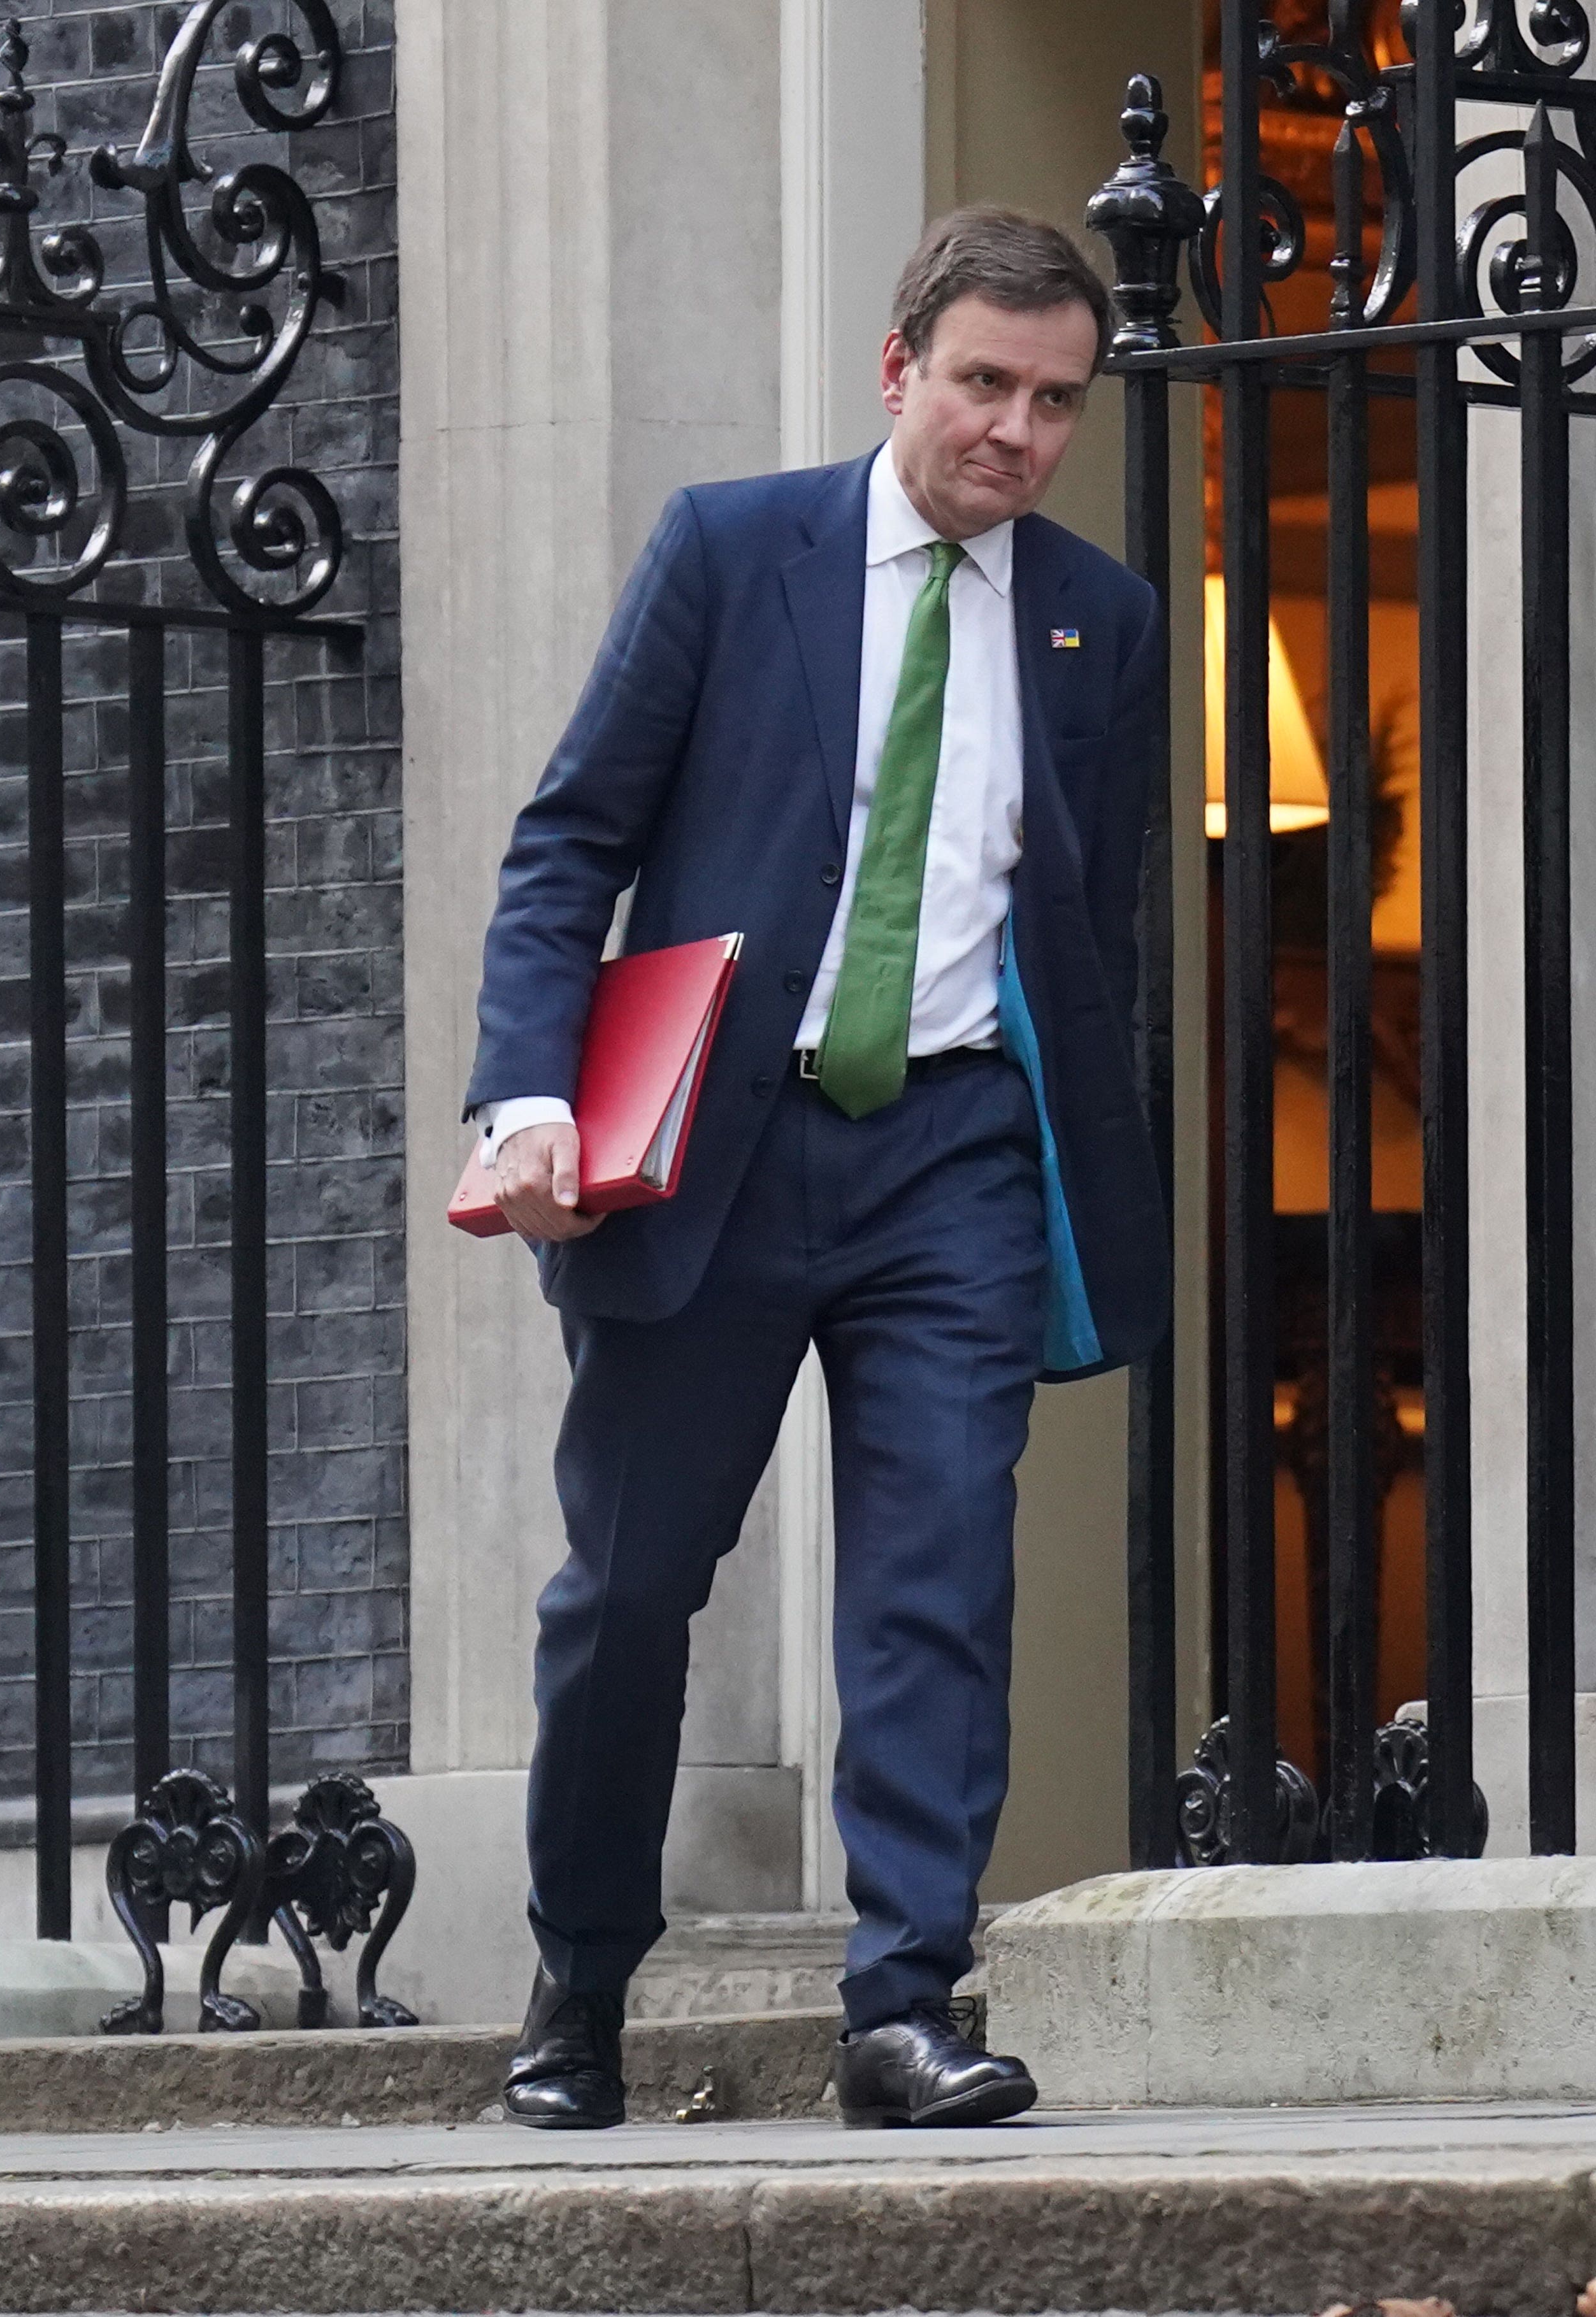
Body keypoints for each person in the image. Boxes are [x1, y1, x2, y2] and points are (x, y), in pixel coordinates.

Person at [463, 206, 1166, 2130]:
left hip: (953, 1147)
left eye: (1055, 402)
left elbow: (1093, 924)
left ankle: (904, 2003)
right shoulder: (729, 549)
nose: (1017, 435)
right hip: (720, 1148)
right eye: (984, 388)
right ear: (899, 367)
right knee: (630, 1591)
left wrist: (1065, 1153)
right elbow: (567, 842)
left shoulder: (1104, 615)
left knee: (936, 1578)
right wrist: (526, 1095)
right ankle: (581, 1983)